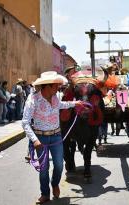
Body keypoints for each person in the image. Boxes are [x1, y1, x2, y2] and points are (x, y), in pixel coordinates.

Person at [22, 71, 83, 204]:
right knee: (44, 169)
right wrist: (35, 140)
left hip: (56, 136)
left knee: (59, 165)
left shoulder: (55, 97)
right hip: (41, 139)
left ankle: (54, 183)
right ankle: (45, 193)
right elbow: (25, 122)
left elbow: (61, 105)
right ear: (48, 86)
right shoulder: (33, 100)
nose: (58, 88)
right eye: (56, 85)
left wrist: (75, 103)